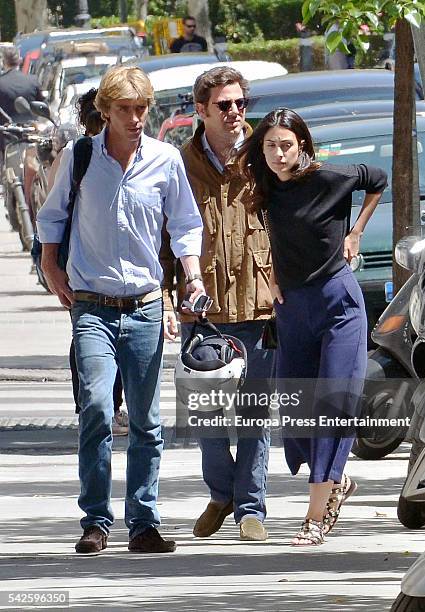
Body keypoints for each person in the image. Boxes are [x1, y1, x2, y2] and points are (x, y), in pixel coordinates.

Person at [36, 66, 204, 554]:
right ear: (105, 111)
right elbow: (52, 216)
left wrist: (191, 277)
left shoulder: (165, 159)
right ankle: (95, 519)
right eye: (125, 110)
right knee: (95, 406)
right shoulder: (82, 155)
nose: (135, 119)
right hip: (92, 306)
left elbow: (185, 224)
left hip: (147, 307)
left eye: (141, 109)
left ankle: (143, 522)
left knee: (148, 421)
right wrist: (51, 264)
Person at [237, 108, 387, 545]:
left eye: (287, 145)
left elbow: (375, 178)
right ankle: (336, 483)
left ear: (302, 145)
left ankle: (314, 517)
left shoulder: (328, 178)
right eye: (270, 146)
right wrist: (270, 273)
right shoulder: (264, 188)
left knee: (331, 407)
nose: (279, 154)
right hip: (292, 311)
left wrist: (355, 231)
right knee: (298, 413)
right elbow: (265, 236)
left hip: (338, 304)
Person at [161, 66, 274, 542]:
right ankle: (221, 491)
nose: (234, 113)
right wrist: (169, 299)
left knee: (253, 413)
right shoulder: (177, 164)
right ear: (200, 111)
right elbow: (164, 237)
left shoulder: (269, 156)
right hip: (202, 310)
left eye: (240, 104)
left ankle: (250, 509)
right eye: (223, 105)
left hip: (260, 302)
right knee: (206, 415)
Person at [47, 88, 128, 436]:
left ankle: (111, 404)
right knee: (87, 331)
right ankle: (93, 405)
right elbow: (52, 209)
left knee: (122, 334)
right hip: (79, 261)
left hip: (125, 268)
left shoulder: (141, 154)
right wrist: (52, 263)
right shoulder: (76, 154)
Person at [0, 46, 43, 167]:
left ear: (4, 62)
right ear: (19, 60)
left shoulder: (1, 82)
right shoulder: (32, 80)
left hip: (6, 138)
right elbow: (42, 106)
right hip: (31, 135)